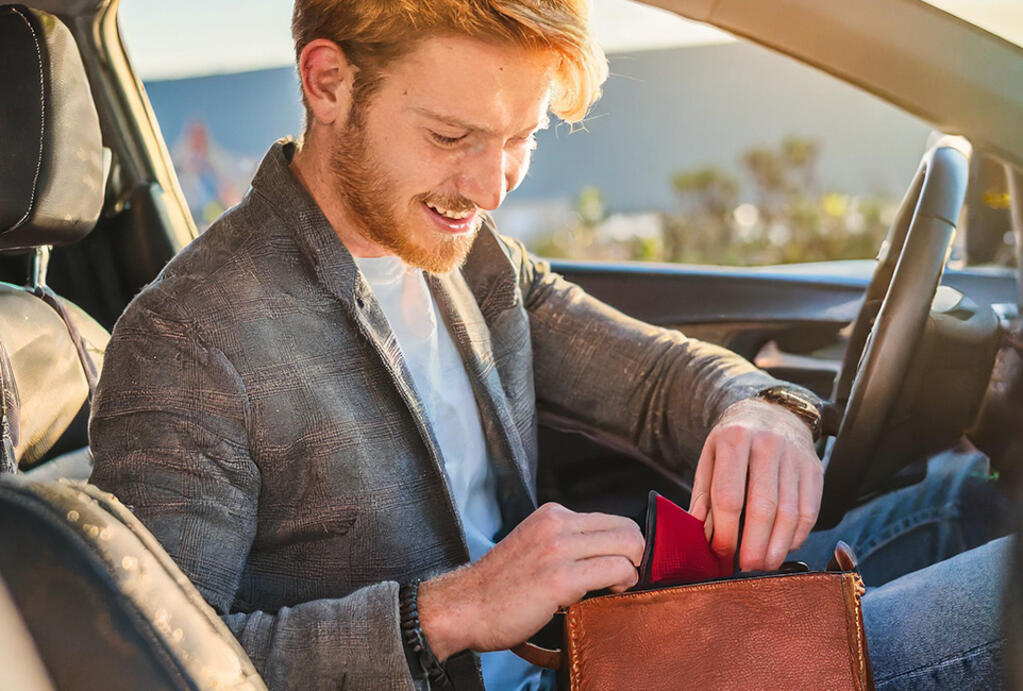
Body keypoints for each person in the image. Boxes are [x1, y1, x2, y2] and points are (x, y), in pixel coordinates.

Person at [89, 1, 1012, 689]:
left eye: (521, 139)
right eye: (452, 136)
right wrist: (452, 609)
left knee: (960, 498)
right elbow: (152, 658)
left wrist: (763, 406)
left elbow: (652, 376)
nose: (491, 184)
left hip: (579, 650)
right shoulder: (188, 342)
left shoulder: (466, 254)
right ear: (327, 82)